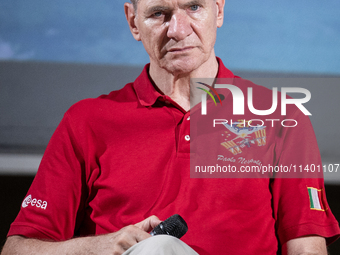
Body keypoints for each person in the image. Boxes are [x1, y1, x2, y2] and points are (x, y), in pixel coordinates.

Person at [1, 0, 340, 254]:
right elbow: (17, 249)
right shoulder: (87, 120)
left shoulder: (282, 116)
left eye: (194, 7)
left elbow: (306, 247)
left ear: (219, 11)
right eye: (159, 13)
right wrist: (102, 246)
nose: (178, 29)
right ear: (133, 22)